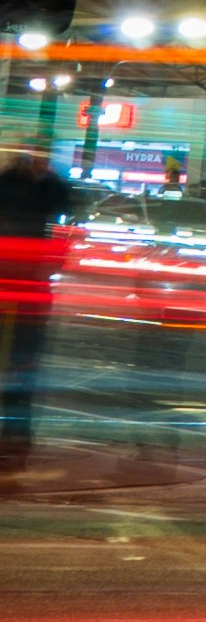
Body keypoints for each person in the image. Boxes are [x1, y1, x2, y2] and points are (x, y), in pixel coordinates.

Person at [0, 127, 75, 480]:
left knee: (24, 361)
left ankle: (16, 433)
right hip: (21, 280)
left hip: (28, 282)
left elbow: (68, 220)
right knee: (21, 359)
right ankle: (16, 433)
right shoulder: (27, 183)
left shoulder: (46, 184)